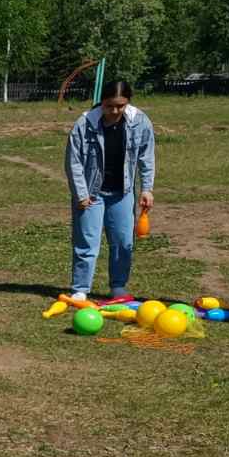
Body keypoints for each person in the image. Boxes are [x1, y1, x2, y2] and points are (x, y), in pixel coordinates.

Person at [65, 79, 156, 304]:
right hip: (91, 195)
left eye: (120, 106)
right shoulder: (84, 124)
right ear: (101, 102)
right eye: (109, 105)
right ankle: (80, 289)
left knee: (123, 242)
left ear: (128, 103)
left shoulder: (140, 122)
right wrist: (81, 194)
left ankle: (118, 286)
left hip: (123, 193)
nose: (114, 111)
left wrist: (147, 188)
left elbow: (147, 156)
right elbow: (73, 162)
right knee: (87, 242)